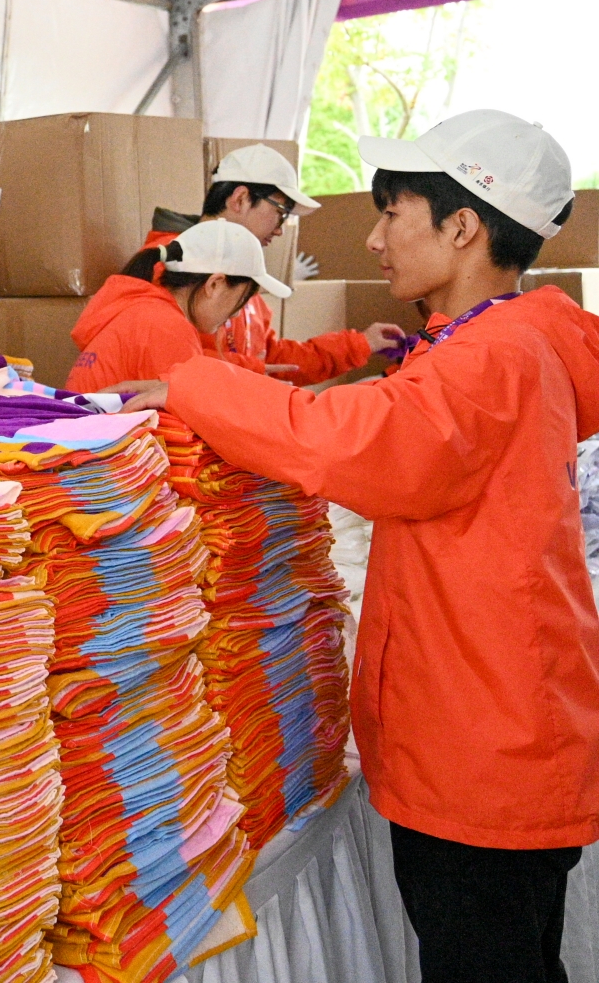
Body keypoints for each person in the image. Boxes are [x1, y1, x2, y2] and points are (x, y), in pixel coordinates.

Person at [121, 111, 599, 983]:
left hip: (485, 743)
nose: (374, 239)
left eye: (392, 213)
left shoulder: (491, 358)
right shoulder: (504, 343)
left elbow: (349, 440)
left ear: (463, 226)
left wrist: (195, 386)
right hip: (496, 724)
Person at [145, 143, 403, 382]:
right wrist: (251, 372)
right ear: (240, 199)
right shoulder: (170, 266)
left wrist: (359, 344)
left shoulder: (241, 269)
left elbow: (272, 360)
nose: (280, 230)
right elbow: (166, 361)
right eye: (281, 214)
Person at [65, 218, 292, 393]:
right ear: (214, 284)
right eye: (242, 299)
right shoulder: (167, 326)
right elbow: (192, 421)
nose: (236, 314)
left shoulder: (144, 310)